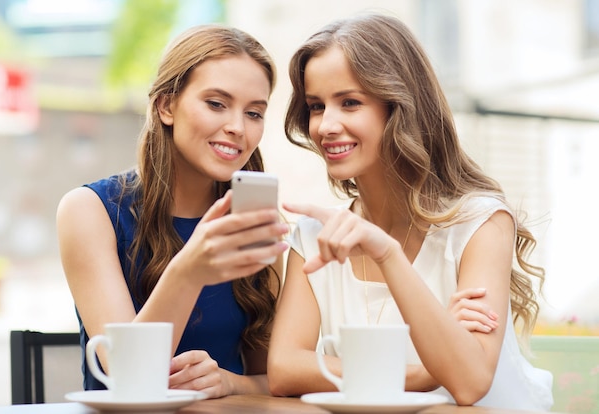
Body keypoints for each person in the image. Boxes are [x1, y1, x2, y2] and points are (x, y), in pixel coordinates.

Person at [267, 13, 553, 411]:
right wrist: (424, 372)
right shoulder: (316, 234)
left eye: (350, 103)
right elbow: (283, 369)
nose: (326, 125)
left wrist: (386, 253)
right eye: (316, 106)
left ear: (399, 107)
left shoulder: (481, 223)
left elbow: (469, 383)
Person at [56, 24, 289, 399]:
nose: (237, 128)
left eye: (254, 113)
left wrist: (231, 382)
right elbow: (128, 376)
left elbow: (276, 380)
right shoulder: (90, 211)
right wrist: (190, 269)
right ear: (166, 106)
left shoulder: (257, 227)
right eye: (216, 104)